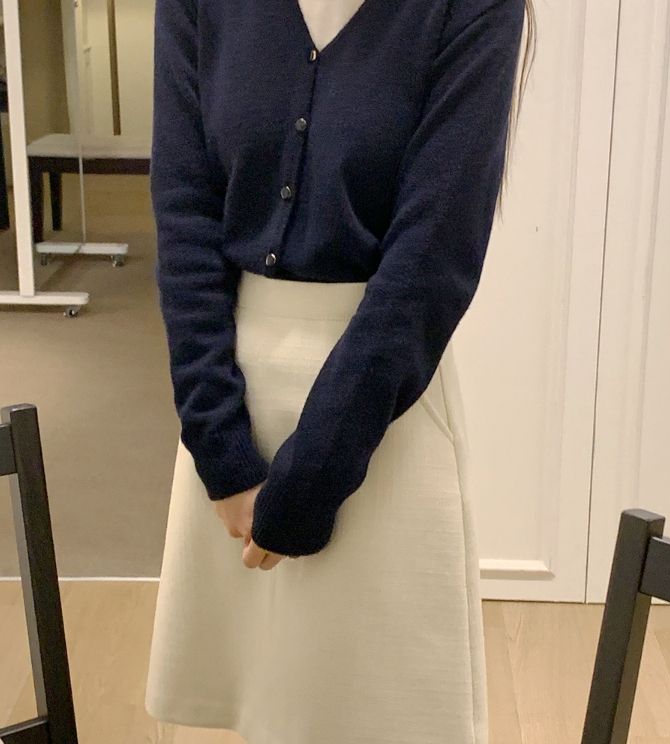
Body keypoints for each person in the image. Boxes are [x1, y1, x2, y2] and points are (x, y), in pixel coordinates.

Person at [144, 0, 535, 740]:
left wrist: (315, 477)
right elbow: (183, 212)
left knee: (388, 712)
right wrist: (219, 448)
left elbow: (435, 254)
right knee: (246, 712)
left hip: (383, 411)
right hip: (233, 404)